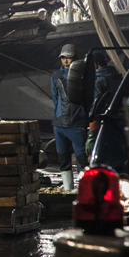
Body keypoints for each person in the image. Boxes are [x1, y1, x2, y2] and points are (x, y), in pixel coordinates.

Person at [51, 44, 89, 181]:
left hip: (77, 124)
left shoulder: (84, 76)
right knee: (62, 158)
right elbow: (55, 98)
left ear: (75, 58)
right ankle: (67, 190)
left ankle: (84, 190)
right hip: (60, 124)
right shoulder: (56, 76)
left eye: (69, 58)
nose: (66, 61)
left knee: (82, 159)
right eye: (63, 58)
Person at [86, 50, 123, 151]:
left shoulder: (98, 81)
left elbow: (96, 106)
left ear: (95, 65)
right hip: (118, 121)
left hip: (100, 123)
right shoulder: (117, 78)